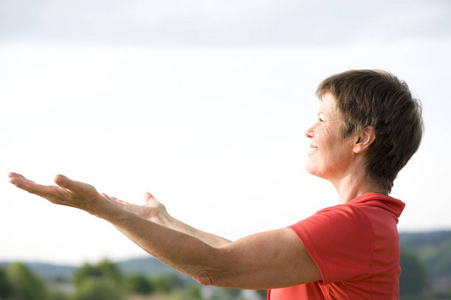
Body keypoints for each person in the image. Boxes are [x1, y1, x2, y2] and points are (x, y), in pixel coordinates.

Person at [9, 69, 423, 299]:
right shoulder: (360, 225)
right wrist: (162, 220)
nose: (308, 131)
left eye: (321, 118)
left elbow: (216, 268)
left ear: (361, 138)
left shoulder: (356, 225)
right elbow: (227, 252)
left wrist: (103, 209)